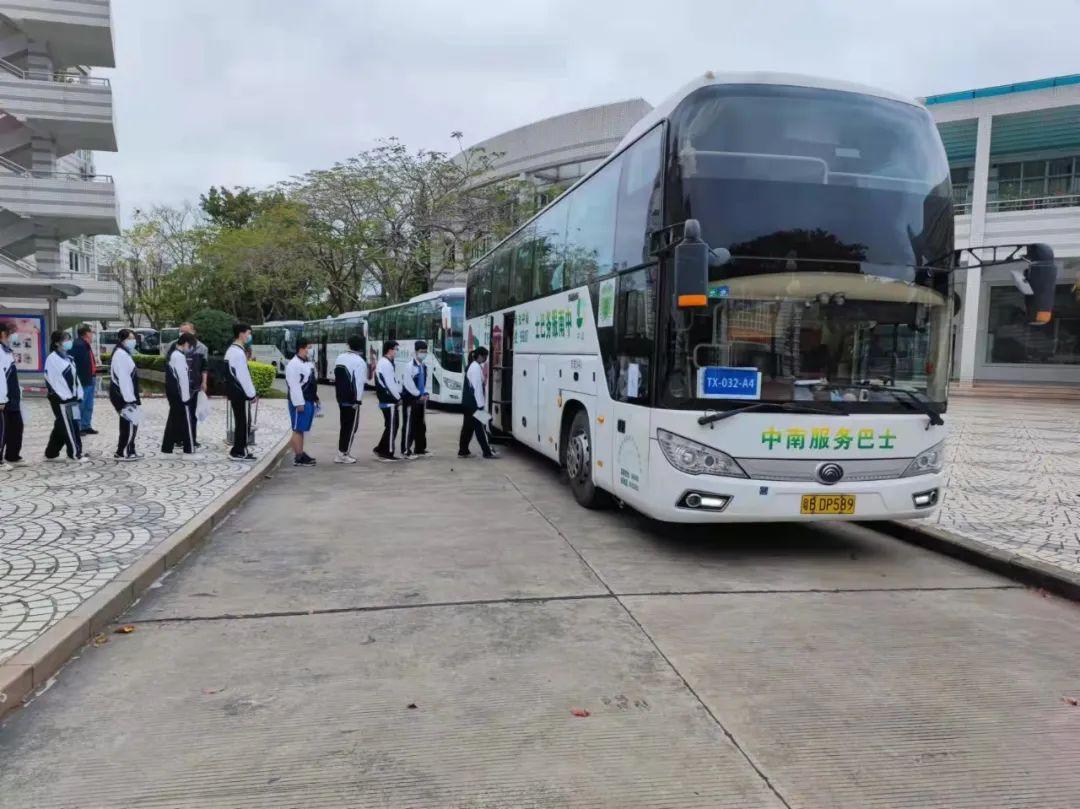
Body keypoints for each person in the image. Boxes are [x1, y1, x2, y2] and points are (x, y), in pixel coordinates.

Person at [43, 330, 87, 463]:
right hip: (62, 399)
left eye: (69, 339)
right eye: (66, 339)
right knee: (69, 426)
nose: (69, 342)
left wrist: (79, 394)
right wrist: (66, 397)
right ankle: (74, 454)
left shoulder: (68, 358)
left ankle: (51, 452)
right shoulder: (52, 359)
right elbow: (54, 381)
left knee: (63, 424)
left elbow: (75, 379)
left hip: (72, 398)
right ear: (57, 343)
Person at [167, 322, 208, 448]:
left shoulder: (202, 348)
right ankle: (177, 439)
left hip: (194, 385)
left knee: (192, 413)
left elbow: (204, 367)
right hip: (177, 387)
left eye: (186, 331)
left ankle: (191, 438)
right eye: (181, 331)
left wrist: (204, 382)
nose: (183, 334)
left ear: (193, 332)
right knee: (177, 412)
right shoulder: (173, 346)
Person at [108, 328, 142, 461]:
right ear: (123, 340)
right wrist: (129, 399)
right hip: (123, 395)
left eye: (133, 338)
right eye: (130, 338)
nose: (133, 341)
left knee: (132, 422)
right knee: (129, 423)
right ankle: (123, 452)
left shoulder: (123, 353)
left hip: (125, 394)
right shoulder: (121, 355)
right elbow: (124, 379)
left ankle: (129, 450)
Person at [225, 323, 258, 461]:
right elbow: (244, 376)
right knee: (243, 423)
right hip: (240, 393)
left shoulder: (231, 350)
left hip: (234, 392)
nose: (249, 336)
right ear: (241, 334)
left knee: (241, 421)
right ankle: (239, 451)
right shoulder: (238, 353)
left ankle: (239, 449)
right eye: (248, 333)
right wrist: (252, 394)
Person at [285, 338, 319, 467]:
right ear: (301, 348)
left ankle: (300, 453)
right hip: (299, 401)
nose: (310, 350)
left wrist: (315, 397)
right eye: (309, 347)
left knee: (302, 428)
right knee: (297, 429)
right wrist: (299, 403)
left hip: (308, 399)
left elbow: (311, 382)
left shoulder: (307, 363)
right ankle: (298, 456)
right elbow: (293, 385)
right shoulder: (293, 365)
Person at [333, 334, 366, 464]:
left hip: (340, 397)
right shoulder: (359, 361)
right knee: (351, 427)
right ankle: (343, 454)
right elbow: (359, 383)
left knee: (344, 426)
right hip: (352, 399)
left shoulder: (340, 358)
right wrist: (358, 400)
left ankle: (341, 452)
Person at [161, 333, 196, 456]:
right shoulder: (179, 357)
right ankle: (189, 447)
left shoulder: (173, 354)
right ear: (186, 343)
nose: (190, 348)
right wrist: (186, 398)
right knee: (186, 421)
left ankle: (167, 447)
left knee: (173, 420)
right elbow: (183, 379)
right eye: (190, 346)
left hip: (174, 393)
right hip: (179, 394)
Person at [459, 346, 496, 459]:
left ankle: (463, 450)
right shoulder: (475, 368)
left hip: (468, 403)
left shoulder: (473, 366)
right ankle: (487, 451)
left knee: (468, 427)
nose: (486, 359)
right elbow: (477, 388)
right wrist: (481, 405)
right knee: (481, 427)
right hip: (474, 403)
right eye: (485, 357)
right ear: (480, 356)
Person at [0, 322, 24, 469]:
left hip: (12, 397)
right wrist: (2, 399)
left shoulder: (7, 351)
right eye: (12, 332)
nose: (14, 335)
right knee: (2, 429)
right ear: (3, 334)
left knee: (16, 426)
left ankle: (12, 455)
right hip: (4, 398)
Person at [373, 340, 402, 461]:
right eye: (396, 349)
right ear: (390, 350)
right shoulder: (386, 364)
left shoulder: (384, 362)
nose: (397, 352)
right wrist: (398, 398)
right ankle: (387, 452)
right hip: (389, 400)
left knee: (391, 425)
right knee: (392, 426)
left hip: (386, 398)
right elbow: (390, 384)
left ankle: (380, 449)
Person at [401, 339, 429, 458]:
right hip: (410, 400)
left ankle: (420, 449)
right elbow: (408, 384)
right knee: (409, 426)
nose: (424, 353)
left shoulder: (423, 366)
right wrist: (418, 394)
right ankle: (406, 450)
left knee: (420, 425)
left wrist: (426, 393)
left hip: (421, 400)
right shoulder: (410, 366)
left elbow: (424, 383)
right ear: (416, 351)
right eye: (422, 351)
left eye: (425, 351)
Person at [69, 324, 98, 435]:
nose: (92, 335)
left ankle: (86, 425)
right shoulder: (78, 345)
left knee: (88, 405)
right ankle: (78, 427)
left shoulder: (86, 345)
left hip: (90, 377)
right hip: (83, 379)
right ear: (86, 334)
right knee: (81, 404)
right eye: (91, 333)